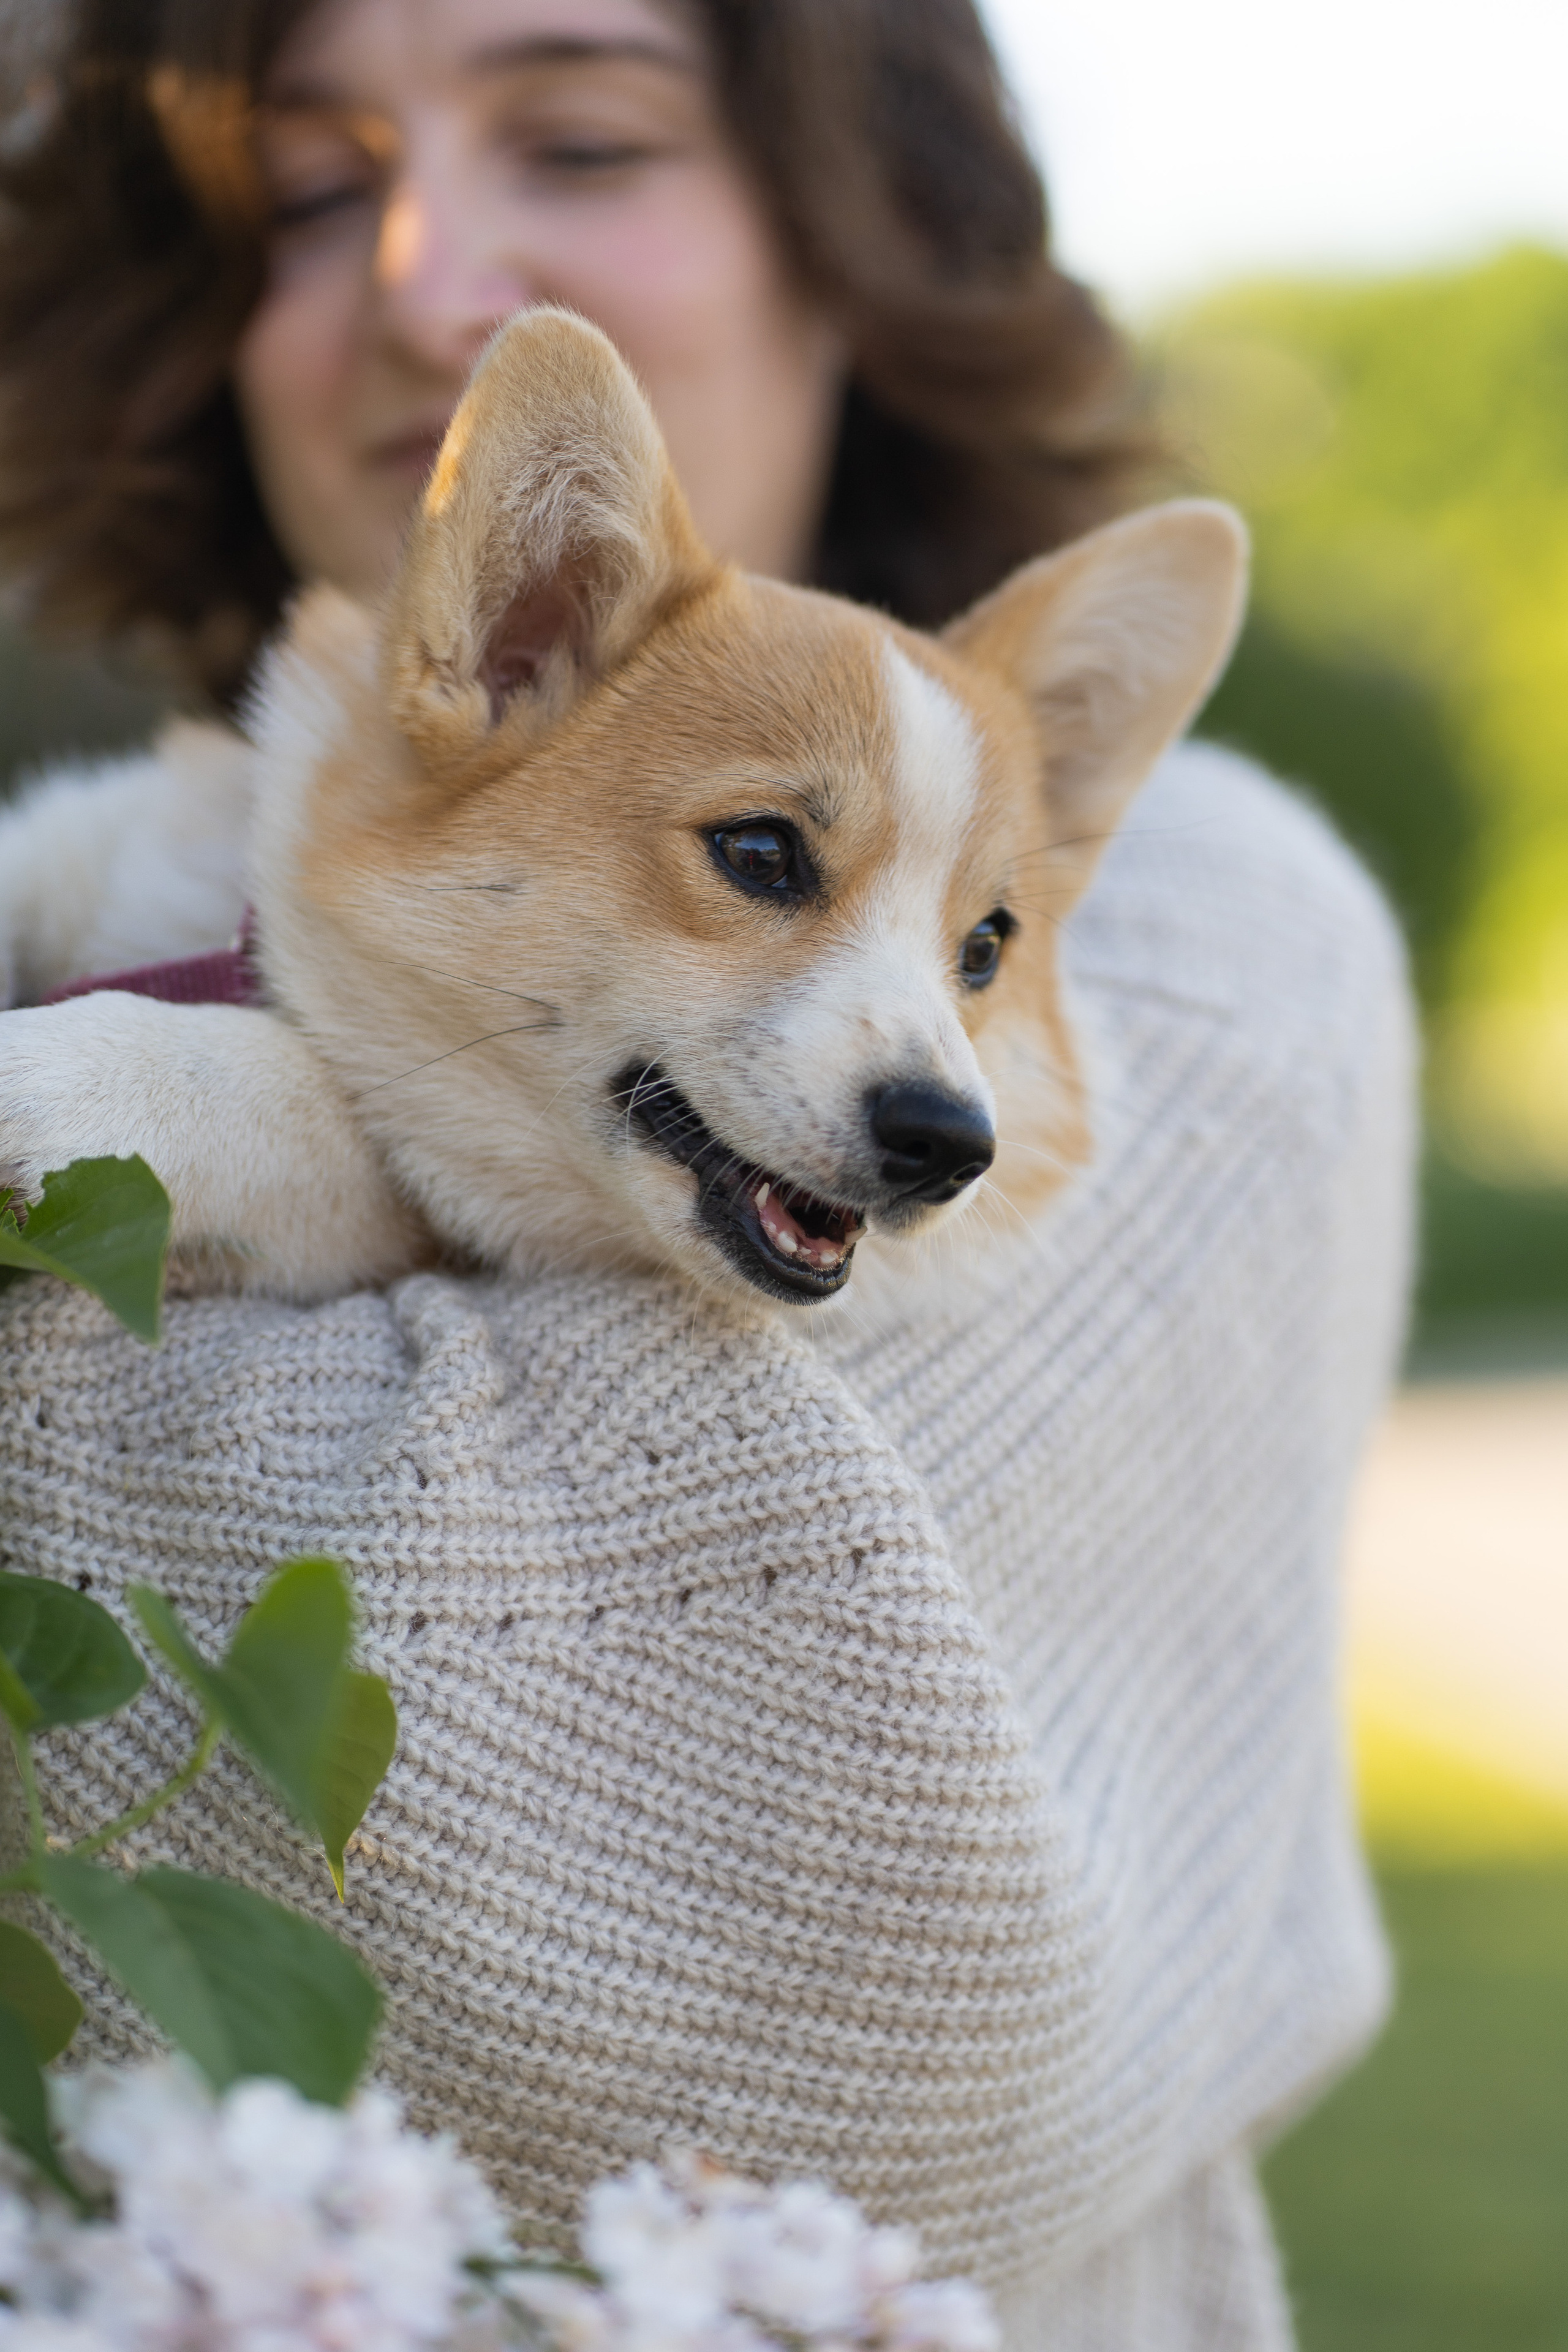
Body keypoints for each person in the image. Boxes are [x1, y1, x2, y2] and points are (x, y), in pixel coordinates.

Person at [0, 5, 1414, 2349]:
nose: (434, 281)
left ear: (861, 235)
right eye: (316, 189)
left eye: (580, 139)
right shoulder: (160, 836)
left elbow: (667, 1943)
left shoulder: (1219, 948)